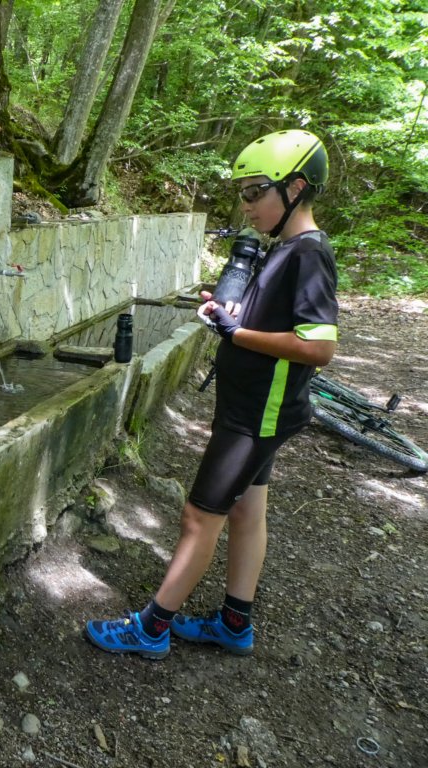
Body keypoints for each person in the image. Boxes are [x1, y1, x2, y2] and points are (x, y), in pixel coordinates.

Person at [83, 128, 339, 659]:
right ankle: (234, 623)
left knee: (200, 516)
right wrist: (230, 312)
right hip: (253, 409)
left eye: (255, 192)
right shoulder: (285, 248)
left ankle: (151, 628)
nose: (245, 204)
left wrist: (236, 333)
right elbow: (274, 320)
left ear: (295, 187)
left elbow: (318, 346)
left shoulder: (308, 254)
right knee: (246, 512)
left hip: (257, 415)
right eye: (243, 192)